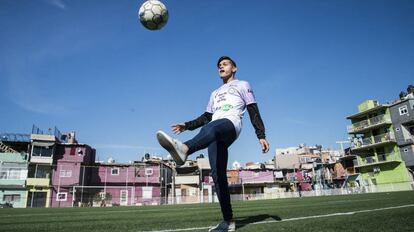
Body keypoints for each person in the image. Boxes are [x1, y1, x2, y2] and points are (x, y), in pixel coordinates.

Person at [157, 56, 270, 232]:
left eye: (225, 64)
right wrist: (186, 125)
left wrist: (260, 135)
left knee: (212, 128)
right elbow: (206, 117)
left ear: (234, 68)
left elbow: (252, 109)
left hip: (231, 125)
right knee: (218, 176)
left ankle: (185, 148)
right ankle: (228, 222)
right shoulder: (214, 93)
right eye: (219, 66)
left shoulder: (243, 85)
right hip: (212, 131)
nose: (221, 67)